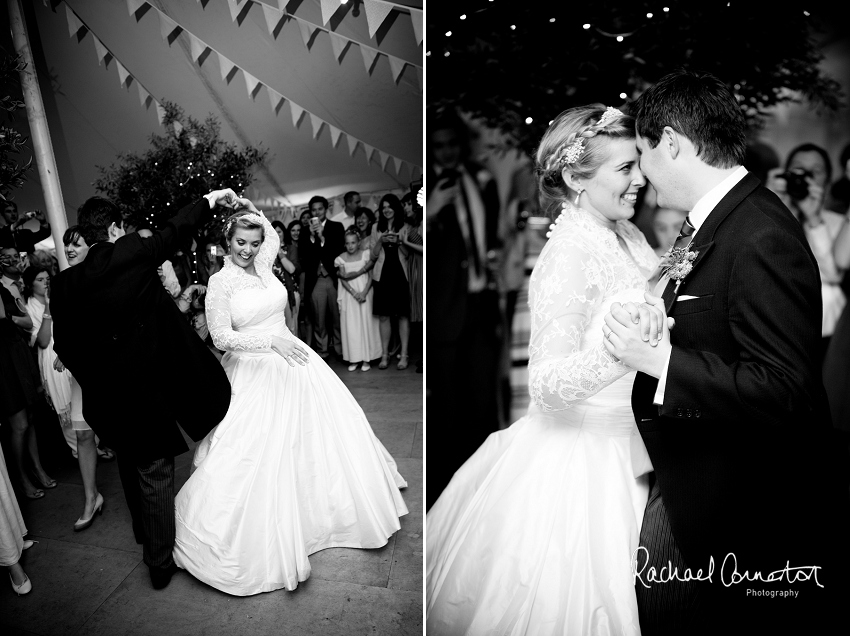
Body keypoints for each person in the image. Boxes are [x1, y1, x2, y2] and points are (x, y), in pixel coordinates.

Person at [608, 69, 850, 633]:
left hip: (738, 508)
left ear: (672, 143)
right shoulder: (718, 220)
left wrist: (663, 364)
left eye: (643, 154)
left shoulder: (760, 232)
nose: (642, 172)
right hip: (695, 482)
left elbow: (787, 389)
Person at [427, 105, 656, 634]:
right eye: (624, 169)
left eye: (637, 164)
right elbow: (547, 386)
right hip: (585, 458)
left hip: (635, 445)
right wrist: (626, 348)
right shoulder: (569, 254)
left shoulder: (629, 236)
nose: (639, 179)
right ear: (576, 178)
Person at [173, 198, 408, 596]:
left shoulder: (264, 266)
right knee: (256, 451)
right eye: (240, 242)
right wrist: (271, 342)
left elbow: (266, 239)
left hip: (296, 361)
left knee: (316, 440)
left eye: (253, 242)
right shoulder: (220, 282)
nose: (247, 250)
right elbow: (221, 336)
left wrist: (248, 207)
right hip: (255, 369)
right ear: (227, 241)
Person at [50, 191, 234, 590]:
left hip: (107, 401)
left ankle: (143, 532)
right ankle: (159, 562)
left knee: (130, 463)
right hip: (146, 393)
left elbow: (64, 344)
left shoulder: (63, 284)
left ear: (87, 232)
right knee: (155, 472)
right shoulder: (132, 251)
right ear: (115, 229)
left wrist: (97, 377)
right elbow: (177, 228)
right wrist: (212, 198)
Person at [426, 110, 502, 508]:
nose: (448, 151)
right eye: (439, 145)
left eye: (452, 143)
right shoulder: (427, 189)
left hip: (480, 302)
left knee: (482, 398)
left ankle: (482, 488)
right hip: (443, 311)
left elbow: (489, 232)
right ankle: (448, 494)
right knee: (447, 407)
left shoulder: (481, 179)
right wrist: (431, 209)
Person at [765, 143, 846, 363]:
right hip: (775, 331)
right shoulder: (765, 215)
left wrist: (814, 219)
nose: (804, 177)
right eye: (798, 170)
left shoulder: (839, 223)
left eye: (815, 172)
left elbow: (832, 275)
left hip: (827, 336)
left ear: (827, 183)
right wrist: (768, 200)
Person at [300, 196, 345, 359]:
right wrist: (312, 238)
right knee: (319, 318)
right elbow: (303, 257)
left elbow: (339, 251)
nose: (316, 212)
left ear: (326, 209)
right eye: (313, 210)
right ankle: (322, 351)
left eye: (320, 209)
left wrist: (322, 238)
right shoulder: (305, 231)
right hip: (316, 280)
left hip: (333, 277)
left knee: (337, 317)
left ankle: (341, 350)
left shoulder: (336, 227)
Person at [370, 194, 411, 370]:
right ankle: (385, 355)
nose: (386, 210)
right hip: (382, 274)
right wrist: (380, 240)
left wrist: (398, 241)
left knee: (402, 315)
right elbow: (373, 255)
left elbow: (408, 254)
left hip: (400, 274)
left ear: (396, 208)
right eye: (383, 207)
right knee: (384, 316)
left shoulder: (406, 226)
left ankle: (404, 354)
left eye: (389, 206)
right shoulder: (375, 227)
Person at [335, 227, 381, 371]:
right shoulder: (340, 258)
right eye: (347, 243)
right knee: (352, 326)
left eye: (353, 243)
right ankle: (354, 358)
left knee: (366, 324)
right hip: (350, 296)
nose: (350, 246)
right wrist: (355, 293)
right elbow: (343, 279)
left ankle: (367, 358)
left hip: (365, 294)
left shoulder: (366, 255)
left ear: (358, 242)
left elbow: (370, 276)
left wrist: (364, 292)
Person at [401, 194, 423, 373]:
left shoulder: (422, 221)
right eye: (405, 204)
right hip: (414, 265)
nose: (406, 207)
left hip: (421, 264)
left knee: (423, 309)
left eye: (409, 204)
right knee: (417, 310)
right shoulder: (411, 223)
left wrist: (406, 242)